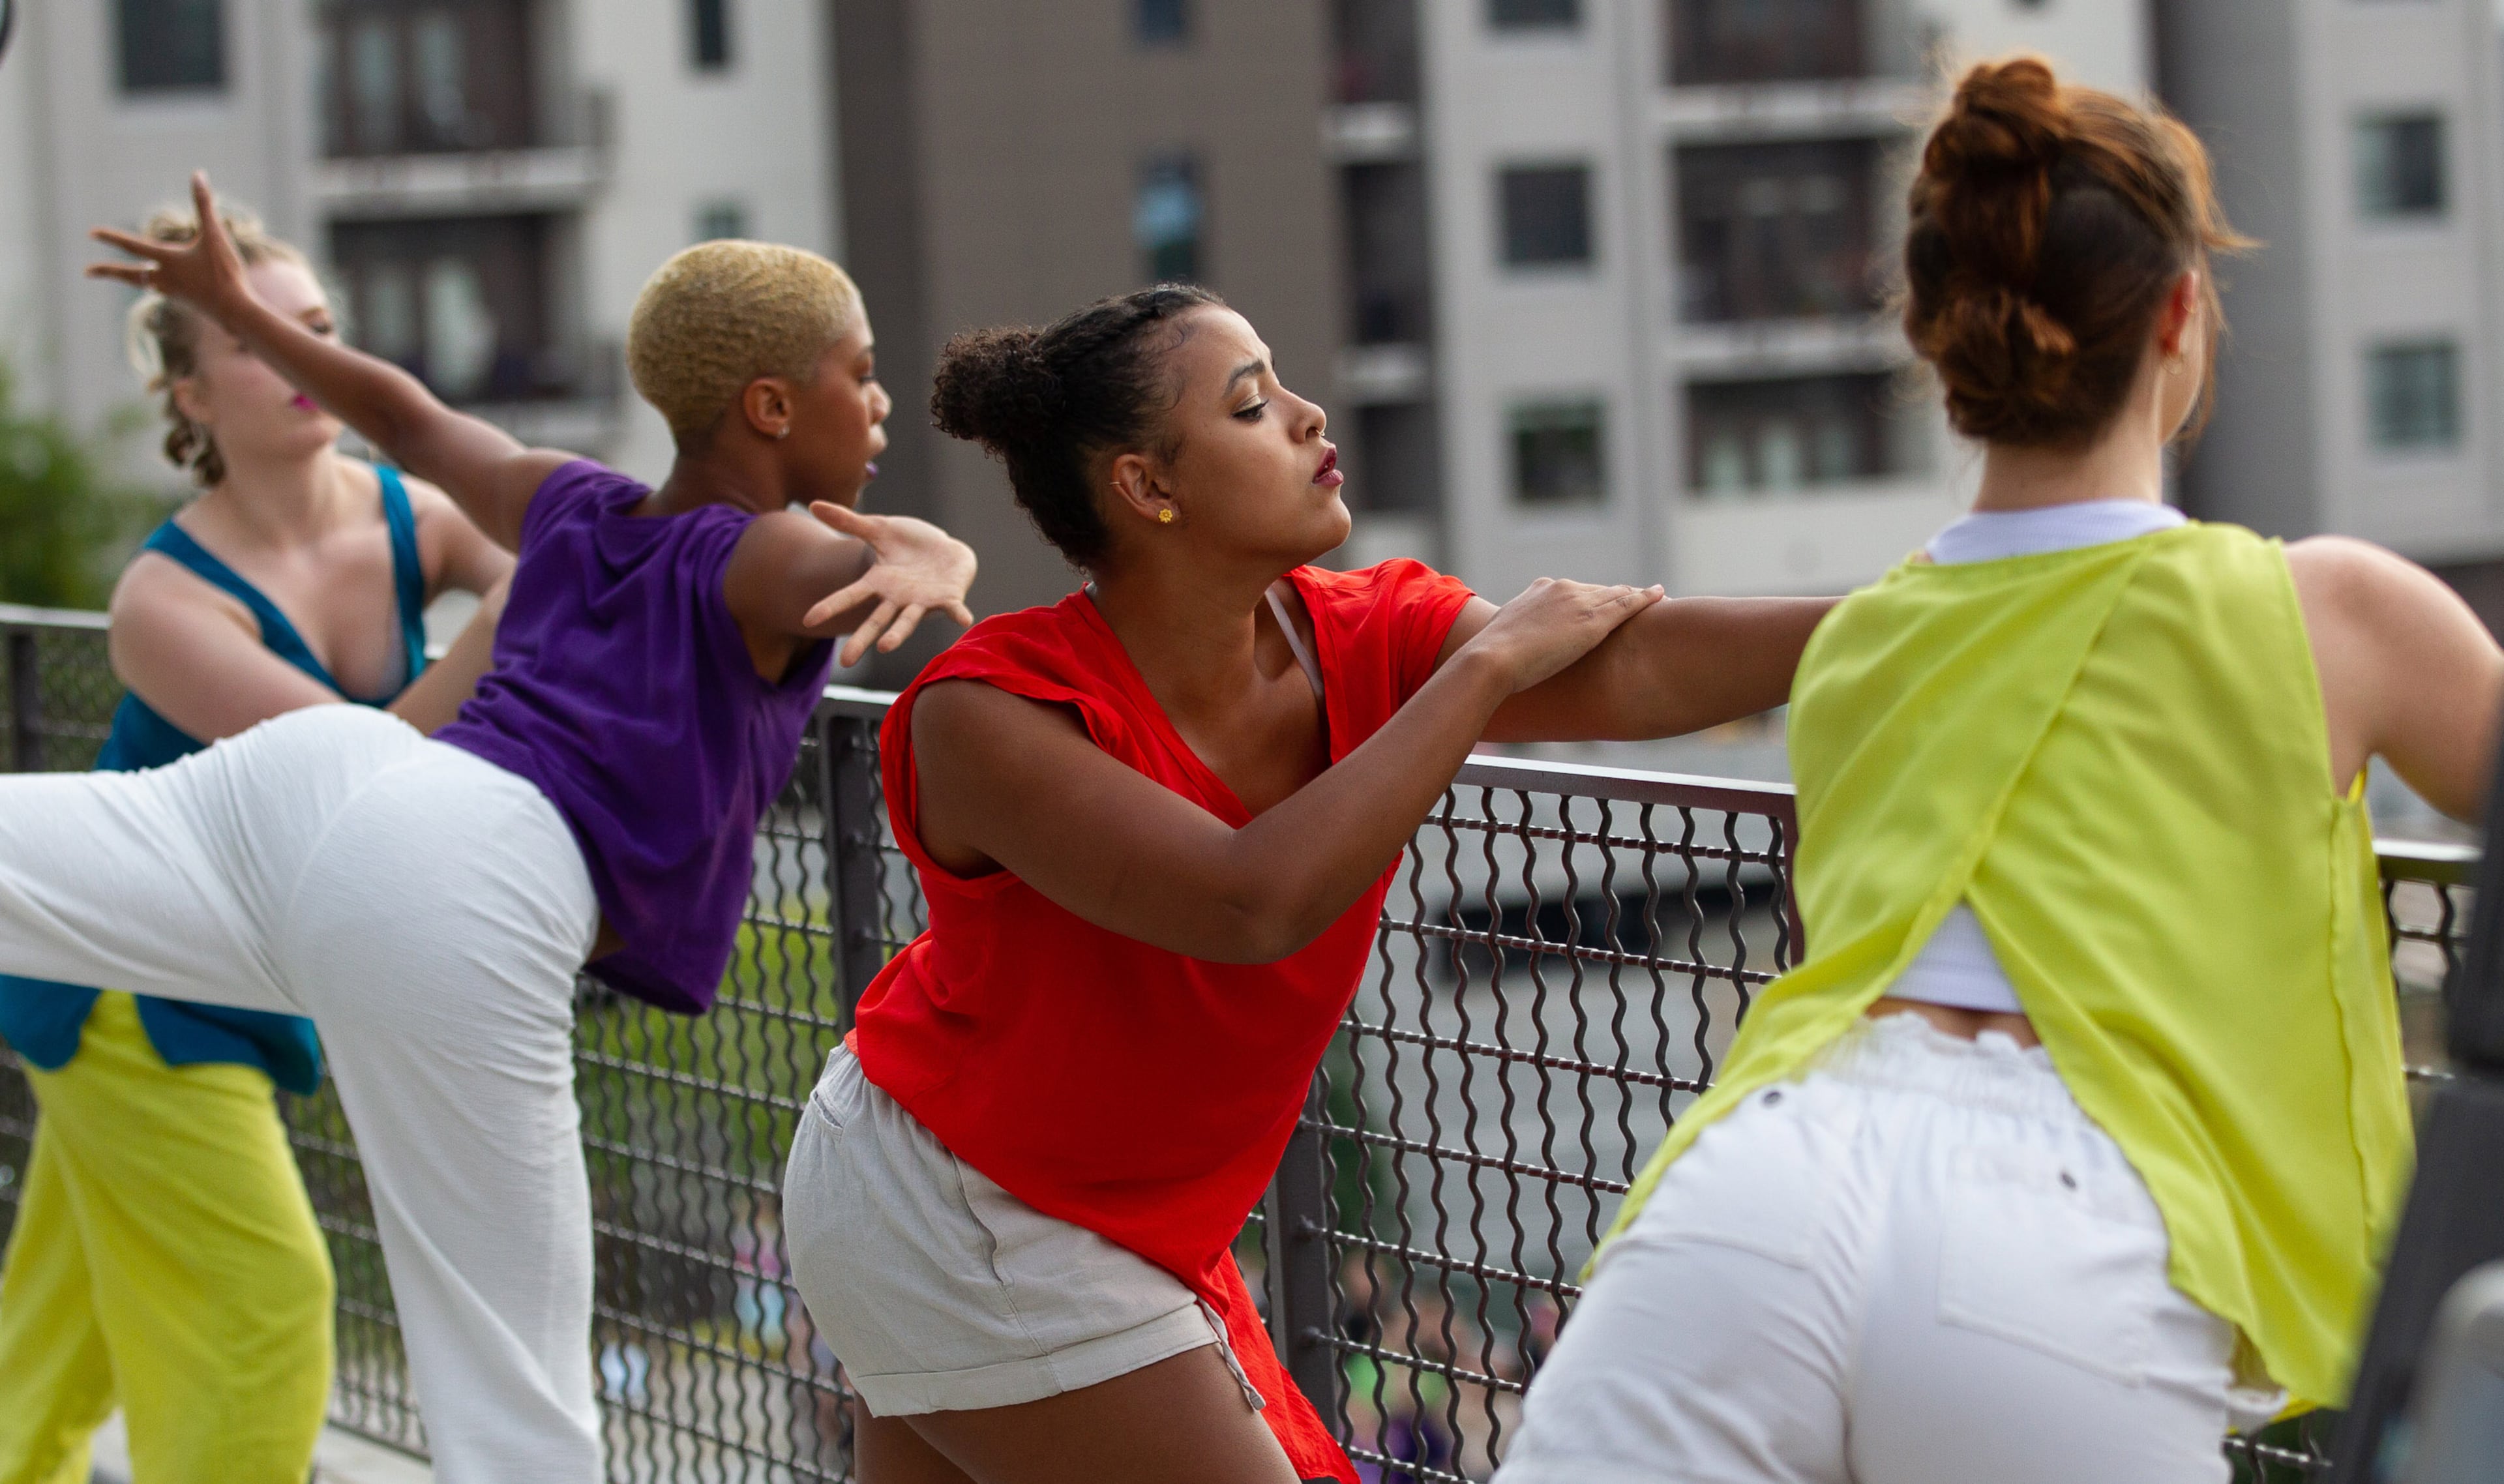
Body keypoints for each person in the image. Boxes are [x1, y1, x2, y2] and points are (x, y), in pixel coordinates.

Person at [1493, 57, 2504, 1484]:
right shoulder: (2327, 610)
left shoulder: (1859, 648)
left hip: (1764, 1180)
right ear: (2177, 316)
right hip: (2066, 1229)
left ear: (1937, 337)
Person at [0, 172, 977, 1484]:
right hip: (464, 880)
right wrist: (935, 558)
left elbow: (399, 415)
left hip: (325, 785)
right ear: (770, 407)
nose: (878, 407)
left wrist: (242, 311)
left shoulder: (569, 502)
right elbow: (868, 558)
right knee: (515, 1399)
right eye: (862, 377)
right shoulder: (758, 557)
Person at [779, 282, 1837, 1484]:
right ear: (1148, 486)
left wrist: (1932, 618)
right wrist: (1486, 667)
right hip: (966, 1201)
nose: (1307, 413)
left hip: (1096, 1210)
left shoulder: (1368, 634)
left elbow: (1637, 669)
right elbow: (1247, 903)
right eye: (1251, 403)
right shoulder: (987, 715)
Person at [0, 204, 511, 1484]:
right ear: (189, 390)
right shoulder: (161, 601)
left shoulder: (411, 513)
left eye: (317, 329)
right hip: (127, 992)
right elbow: (355, 782)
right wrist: (522, 615)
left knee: (52, 1350)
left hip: (244, 974)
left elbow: (607, 597)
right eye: (255, 335)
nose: (300, 354)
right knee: (261, 1304)